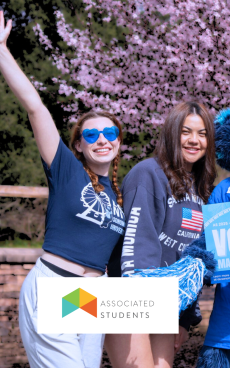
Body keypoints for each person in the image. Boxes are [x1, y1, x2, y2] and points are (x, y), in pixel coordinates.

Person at [0, 11, 126, 368]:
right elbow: (35, 108)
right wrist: (2, 51)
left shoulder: (117, 193)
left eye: (110, 133)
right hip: (56, 285)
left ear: (119, 142)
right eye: (91, 135)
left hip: (91, 295)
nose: (101, 139)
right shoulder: (67, 170)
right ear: (79, 146)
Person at [105, 101, 216, 368]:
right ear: (171, 133)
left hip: (166, 304)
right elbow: (138, 242)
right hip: (133, 297)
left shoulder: (198, 188)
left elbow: (190, 260)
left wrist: (184, 319)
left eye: (202, 134)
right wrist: (139, 303)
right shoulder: (149, 173)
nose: (194, 140)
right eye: (186, 131)